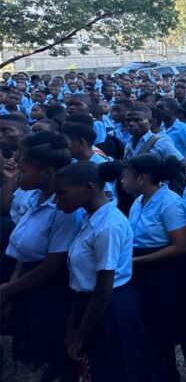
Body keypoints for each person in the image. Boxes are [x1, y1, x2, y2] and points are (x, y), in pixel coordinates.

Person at [53, 162, 158, 382]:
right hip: (92, 304)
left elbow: (102, 287)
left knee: (112, 368)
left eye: (61, 193)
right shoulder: (91, 219)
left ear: (88, 188)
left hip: (109, 308)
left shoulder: (107, 226)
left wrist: (80, 336)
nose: (56, 200)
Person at [0, 134, 81, 379]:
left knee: (48, 352)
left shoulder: (65, 208)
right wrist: (10, 289)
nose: (18, 175)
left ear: (47, 173)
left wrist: (8, 289)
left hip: (49, 291)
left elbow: (53, 264)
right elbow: (22, 249)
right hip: (25, 281)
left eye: (23, 171)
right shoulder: (35, 197)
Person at [122, 154, 186, 382]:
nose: (122, 181)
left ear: (142, 178)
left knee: (175, 324)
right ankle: (165, 373)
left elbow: (180, 245)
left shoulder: (169, 202)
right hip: (143, 270)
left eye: (126, 176)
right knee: (153, 326)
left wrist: (137, 262)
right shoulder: (138, 201)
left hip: (165, 271)